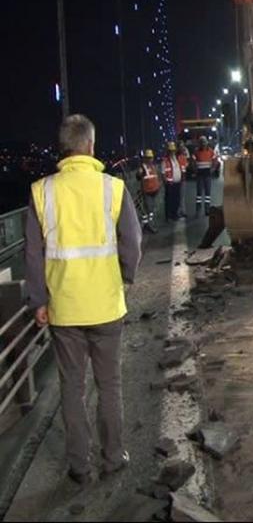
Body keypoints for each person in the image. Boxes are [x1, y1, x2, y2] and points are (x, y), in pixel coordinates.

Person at [24, 114, 142, 485]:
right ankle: (113, 458)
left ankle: (80, 466)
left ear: (64, 148)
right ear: (91, 146)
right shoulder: (113, 188)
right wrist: (124, 276)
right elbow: (133, 243)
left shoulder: (41, 191)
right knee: (109, 385)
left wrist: (39, 301)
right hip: (106, 305)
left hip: (64, 310)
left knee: (71, 388)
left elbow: (32, 254)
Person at [136, 149, 161, 233]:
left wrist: (158, 187)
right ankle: (150, 226)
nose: (150, 159)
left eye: (151, 157)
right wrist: (139, 173)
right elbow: (138, 176)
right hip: (147, 192)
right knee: (149, 210)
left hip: (154, 191)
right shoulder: (143, 167)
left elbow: (155, 178)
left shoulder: (153, 166)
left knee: (150, 211)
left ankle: (147, 225)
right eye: (148, 158)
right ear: (145, 158)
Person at [162, 141, 187, 222]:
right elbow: (163, 173)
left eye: (173, 151)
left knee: (176, 199)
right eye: (171, 151)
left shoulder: (177, 158)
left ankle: (174, 215)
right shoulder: (165, 160)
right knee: (169, 201)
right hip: (170, 184)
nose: (172, 152)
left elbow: (181, 168)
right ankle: (168, 217)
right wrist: (166, 182)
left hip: (177, 183)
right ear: (168, 151)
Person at [193, 136, 218, 216]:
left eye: (204, 142)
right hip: (200, 174)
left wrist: (213, 169)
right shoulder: (196, 151)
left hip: (207, 174)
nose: (203, 144)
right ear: (200, 143)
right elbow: (192, 161)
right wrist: (195, 170)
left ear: (206, 143)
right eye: (201, 142)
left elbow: (215, 160)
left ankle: (207, 210)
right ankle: (198, 210)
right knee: (199, 194)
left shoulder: (210, 151)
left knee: (207, 193)